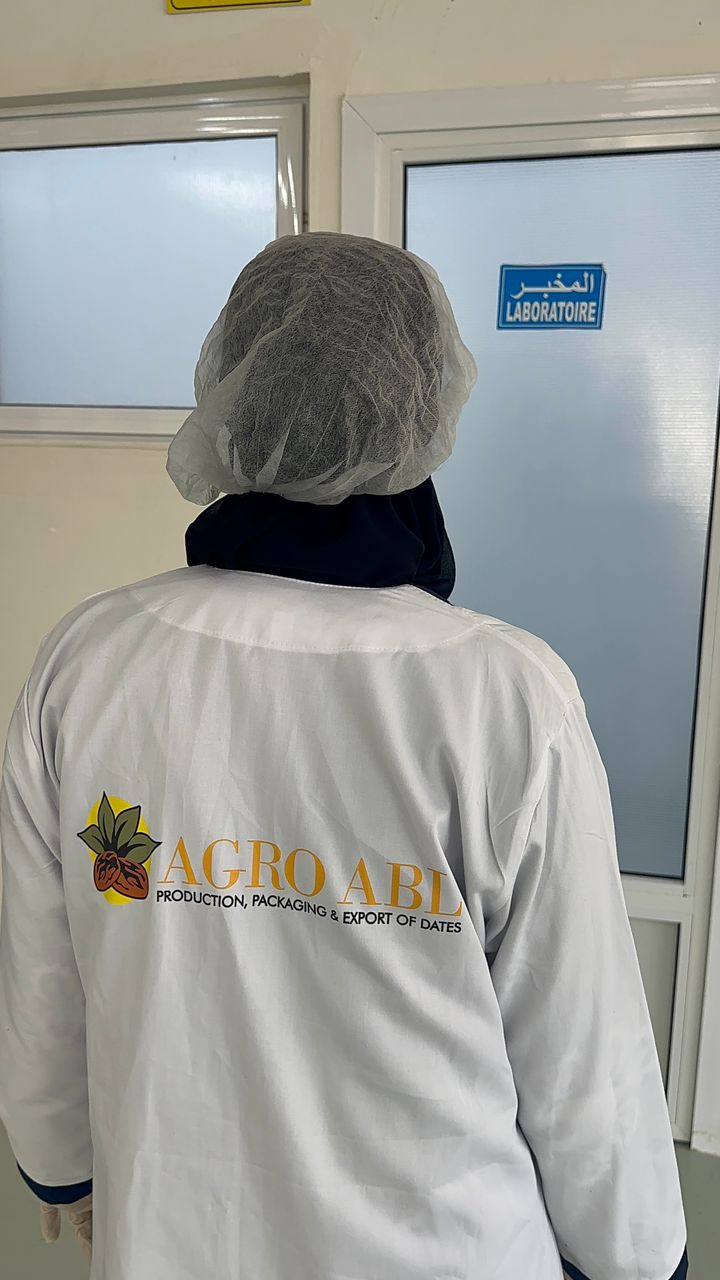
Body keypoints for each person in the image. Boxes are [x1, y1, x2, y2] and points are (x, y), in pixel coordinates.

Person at [0, 232, 687, 1280]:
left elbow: (39, 971)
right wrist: (638, 1258)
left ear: (233, 386)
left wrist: (61, 1166)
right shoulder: (502, 692)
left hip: (174, 1236)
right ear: (426, 407)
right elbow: (583, 1047)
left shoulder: (91, 658)